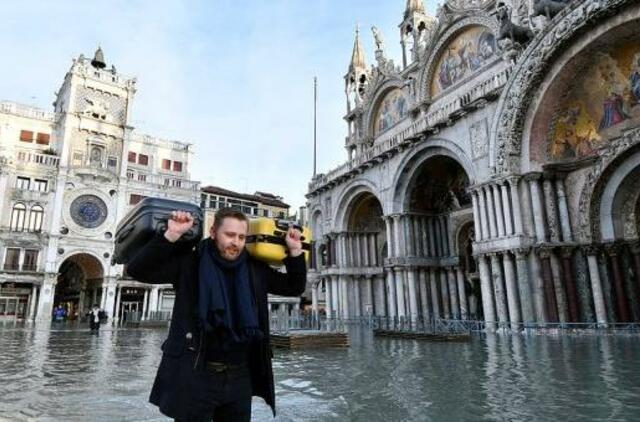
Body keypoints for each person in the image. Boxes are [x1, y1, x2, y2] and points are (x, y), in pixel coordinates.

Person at [127, 207, 306, 421]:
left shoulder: (255, 269)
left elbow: (294, 287)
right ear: (213, 233)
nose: (236, 242)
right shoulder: (190, 263)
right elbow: (138, 270)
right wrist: (172, 234)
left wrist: (295, 252)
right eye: (230, 235)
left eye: (241, 237)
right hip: (195, 374)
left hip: (240, 377)